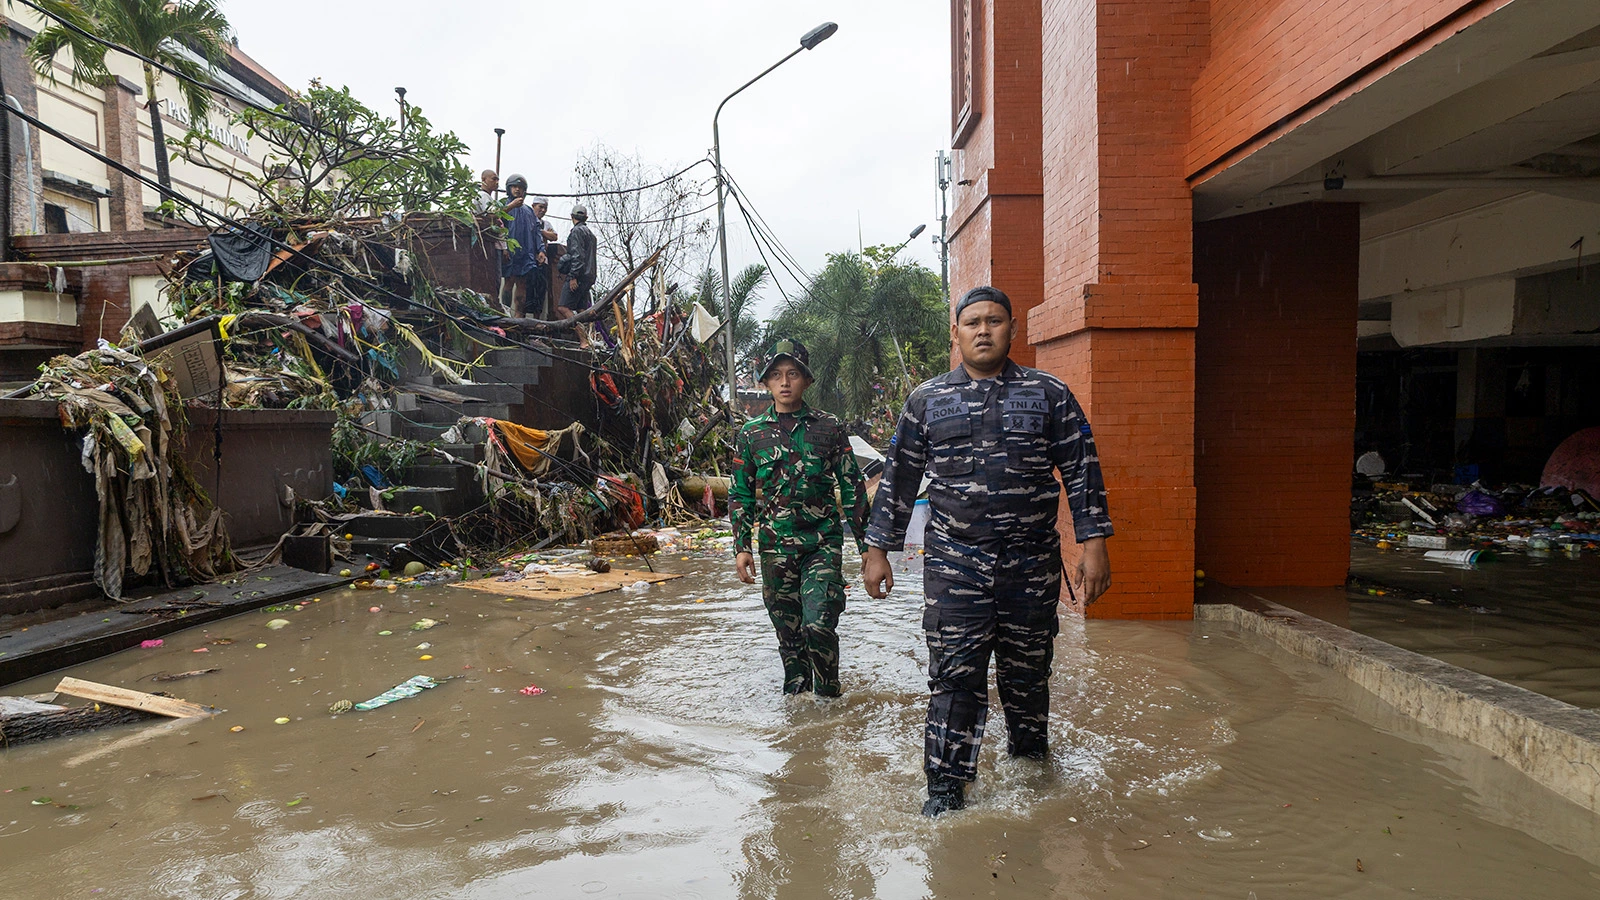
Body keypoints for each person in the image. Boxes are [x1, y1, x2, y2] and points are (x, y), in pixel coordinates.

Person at [861, 284, 1114, 817]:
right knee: (955, 674)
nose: (983, 330)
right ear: (956, 332)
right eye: (972, 321)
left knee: (1028, 671)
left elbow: (1082, 472)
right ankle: (947, 788)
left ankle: (1030, 768)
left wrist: (1094, 545)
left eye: (994, 321)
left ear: (1012, 330)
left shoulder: (1050, 394)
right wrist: (878, 550)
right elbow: (899, 481)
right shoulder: (927, 400)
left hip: (1030, 565)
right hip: (955, 566)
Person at [730, 338, 870, 697]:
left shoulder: (829, 427)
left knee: (819, 624)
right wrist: (741, 546)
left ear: (806, 379)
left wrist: (867, 546)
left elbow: (852, 486)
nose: (785, 382)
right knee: (790, 638)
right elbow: (741, 493)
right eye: (776, 375)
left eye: (793, 373)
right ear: (766, 382)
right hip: (775, 548)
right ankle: (800, 721)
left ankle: (829, 701)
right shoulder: (752, 434)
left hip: (821, 543)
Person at [498, 175, 546, 318]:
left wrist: (541, 250)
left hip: (527, 253)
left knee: (522, 285)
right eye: (514, 187)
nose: (517, 190)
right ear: (509, 189)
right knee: (509, 282)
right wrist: (504, 247)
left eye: (520, 188)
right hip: (511, 253)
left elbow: (536, 231)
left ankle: (519, 317)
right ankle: (505, 314)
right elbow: (499, 228)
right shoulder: (504, 207)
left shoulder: (529, 211)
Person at [557, 204, 599, 344]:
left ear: (572, 217)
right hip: (589, 277)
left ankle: (584, 340)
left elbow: (577, 256)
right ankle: (589, 340)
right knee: (582, 310)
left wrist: (572, 276)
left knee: (563, 307)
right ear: (585, 218)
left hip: (579, 276)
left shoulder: (576, 232)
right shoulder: (591, 235)